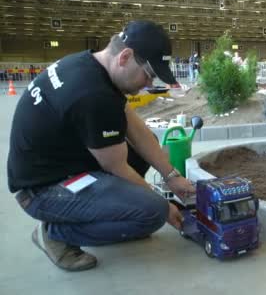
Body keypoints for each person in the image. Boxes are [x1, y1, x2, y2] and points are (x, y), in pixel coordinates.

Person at [7, 20, 195, 272]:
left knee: (139, 154)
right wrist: (164, 205)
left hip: (58, 166)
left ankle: (118, 215)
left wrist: (172, 176)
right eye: (148, 74)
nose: (149, 84)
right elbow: (115, 165)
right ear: (125, 57)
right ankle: (56, 233)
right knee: (153, 212)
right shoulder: (93, 95)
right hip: (44, 191)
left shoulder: (89, 66)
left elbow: (137, 130)